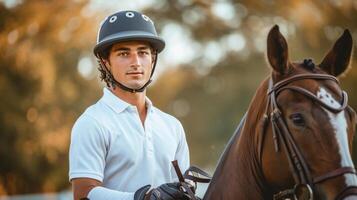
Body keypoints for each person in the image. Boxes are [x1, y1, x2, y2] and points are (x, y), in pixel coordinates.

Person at [69, 10, 191, 200]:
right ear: (105, 61)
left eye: (142, 53)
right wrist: (142, 197)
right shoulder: (91, 123)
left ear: (153, 58)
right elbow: (83, 194)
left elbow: (183, 191)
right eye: (124, 53)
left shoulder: (173, 126)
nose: (135, 62)